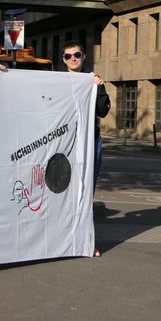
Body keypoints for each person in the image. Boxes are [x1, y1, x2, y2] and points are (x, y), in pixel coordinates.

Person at [62, 40, 110, 256]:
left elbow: (103, 111)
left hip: (90, 142)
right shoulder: (56, 81)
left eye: (77, 55)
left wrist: (99, 88)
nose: (73, 59)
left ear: (83, 57)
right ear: (63, 60)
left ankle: (85, 242)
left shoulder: (92, 81)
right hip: (63, 143)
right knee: (61, 190)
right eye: (68, 56)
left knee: (85, 189)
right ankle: (60, 240)